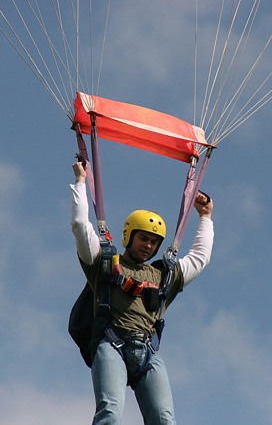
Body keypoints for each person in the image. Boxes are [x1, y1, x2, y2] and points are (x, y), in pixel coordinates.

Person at [70, 161, 214, 425]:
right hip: (112, 345)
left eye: (154, 242)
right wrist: (80, 181)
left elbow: (200, 258)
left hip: (148, 352)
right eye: (143, 238)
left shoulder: (164, 275)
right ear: (129, 236)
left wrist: (205, 217)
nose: (149, 245)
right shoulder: (104, 263)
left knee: (164, 420)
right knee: (110, 413)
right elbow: (81, 225)